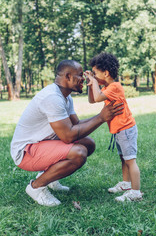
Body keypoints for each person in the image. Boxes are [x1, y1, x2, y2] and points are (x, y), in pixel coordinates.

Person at [11, 59, 124, 207]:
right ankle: (36, 187)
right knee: (79, 152)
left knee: (88, 143)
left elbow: (75, 125)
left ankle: (49, 178)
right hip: (25, 151)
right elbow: (68, 135)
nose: (84, 78)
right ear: (68, 76)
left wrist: (101, 116)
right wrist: (101, 117)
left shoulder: (65, 96)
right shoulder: (52, 97)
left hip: (41, 143)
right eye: (79, 75)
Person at [84, 52, 143, 202]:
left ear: (106, 73)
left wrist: (94, 82)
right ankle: (126, 184)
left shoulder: (115, 87)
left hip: (126, 129)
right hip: (119, 130)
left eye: (95, 73)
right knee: (124, 159)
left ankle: (136, 192)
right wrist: (91, 84)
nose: (94, 76)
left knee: (130, 161)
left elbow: (97, 98)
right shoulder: (107, 87)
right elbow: (93, 100)